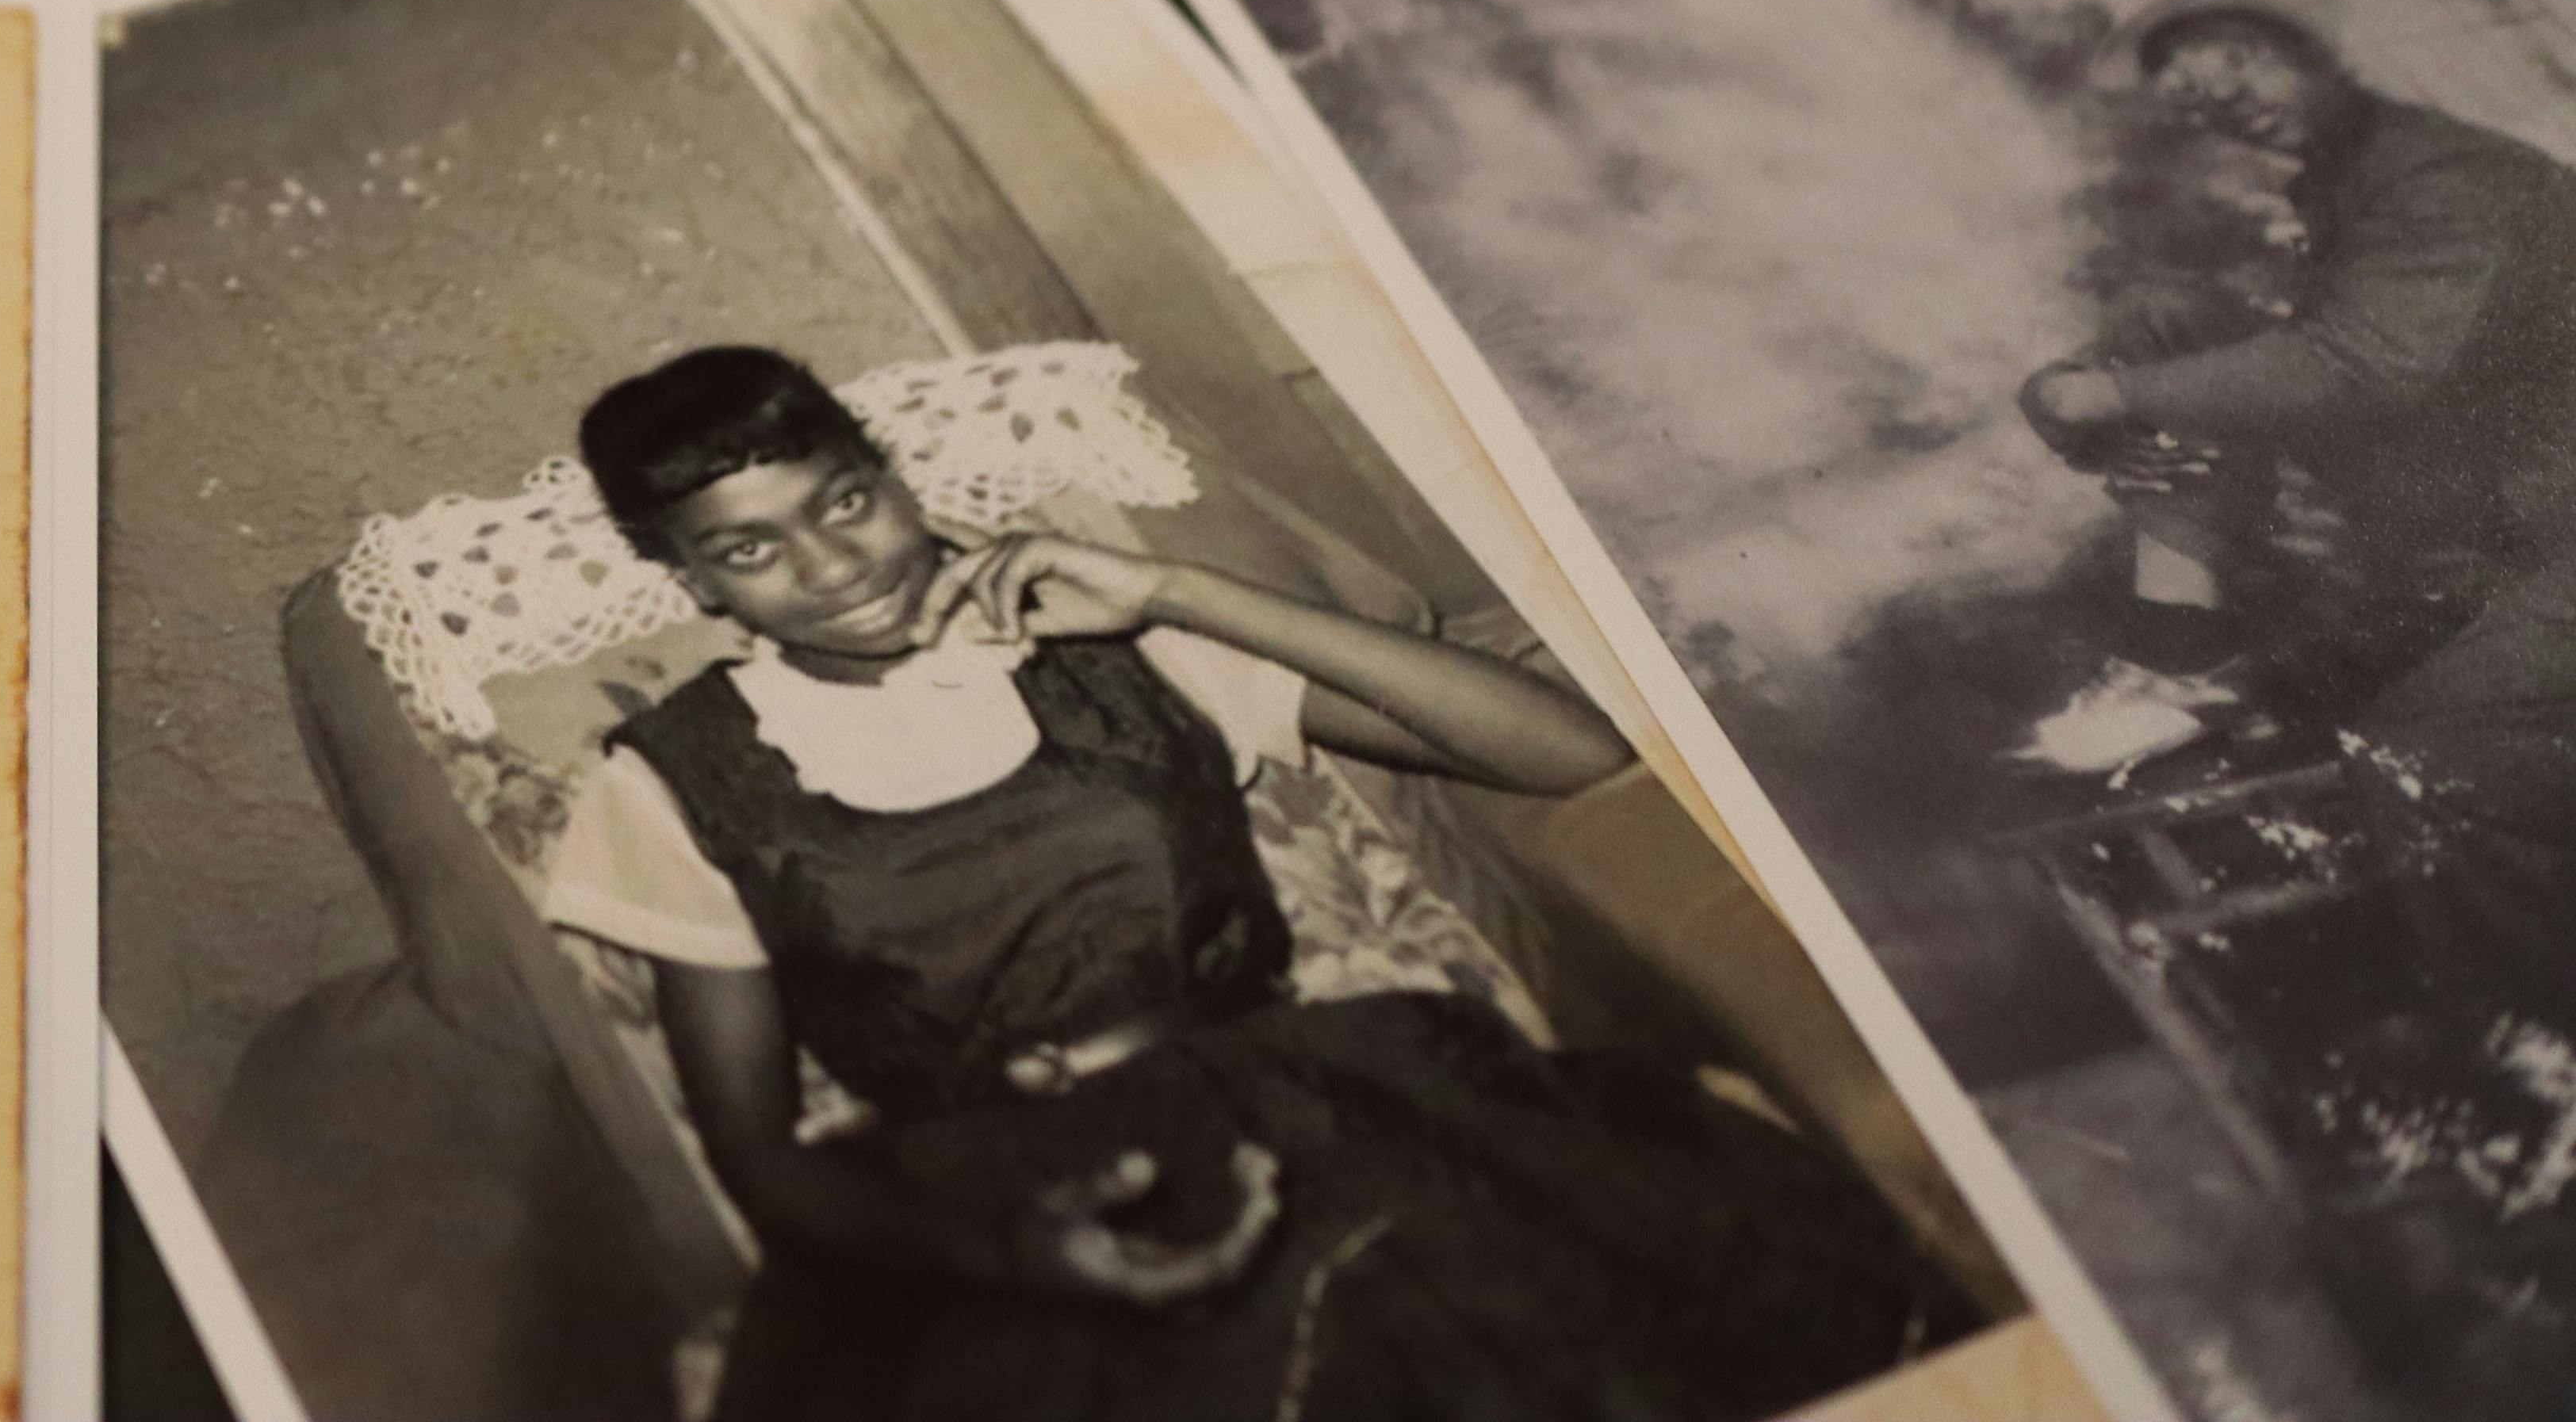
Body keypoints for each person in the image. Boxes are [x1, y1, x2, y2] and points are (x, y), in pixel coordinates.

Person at [549, 345, 1969, 1422]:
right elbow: (765, 1162)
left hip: (1319, 1109)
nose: (830, 565)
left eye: (847, 501)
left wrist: (1172, 591)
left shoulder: (1114, 639)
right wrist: (1015, 1256)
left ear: (893, 475)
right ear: (694, 583)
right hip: (993, 1211)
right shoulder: (672, 780)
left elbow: (1570, 753)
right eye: (749, 549)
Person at [2021, 0, 2576, 995]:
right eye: (2197, 97)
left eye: (2237, 61)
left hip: (2554, 543)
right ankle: (2174, 649)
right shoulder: (2343, 189)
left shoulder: (2448, 173)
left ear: (2311, 48)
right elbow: (2284, 372)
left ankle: (2548, 1039)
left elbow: (2358, 367)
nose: (2224, 98)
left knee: (2429, 757)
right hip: (2492, 534)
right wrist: (2092, 404)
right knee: (2166, 321)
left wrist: (2112, 396)